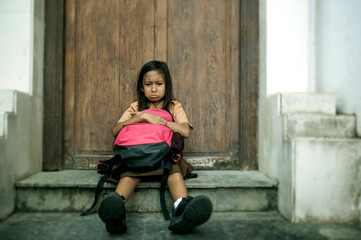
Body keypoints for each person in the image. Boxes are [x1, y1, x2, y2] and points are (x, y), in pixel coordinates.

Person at [98, 60, 213, 234]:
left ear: (167, 85)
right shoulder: (136, 107)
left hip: (163, 155)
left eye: (159, 84)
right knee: (129, 172)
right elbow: (115, 130)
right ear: (141, 87)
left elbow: (185, 131)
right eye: (148, 84)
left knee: (173, 170)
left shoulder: (173, 105)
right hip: (137, 155)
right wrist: (141, 117)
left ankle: (181, 208)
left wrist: (164, 122)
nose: (153, 89)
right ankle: (116, 210)